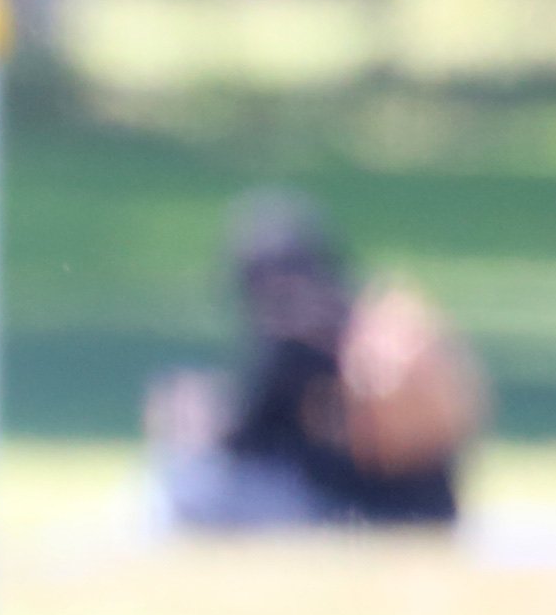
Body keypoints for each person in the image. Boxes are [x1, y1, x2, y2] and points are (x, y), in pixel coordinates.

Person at [146, 192, 478, 532]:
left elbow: (243, 438)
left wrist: (196, 416)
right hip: (430, 505)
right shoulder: (371, 321)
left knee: (189, 478)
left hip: (352, 509)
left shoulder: (295, 340)